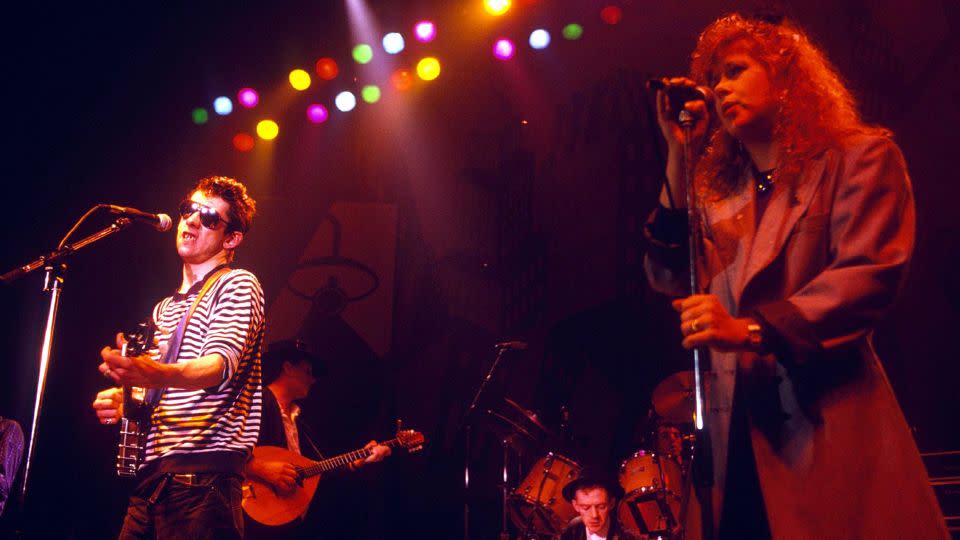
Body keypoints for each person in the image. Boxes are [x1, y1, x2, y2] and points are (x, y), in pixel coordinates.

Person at [644, 13, 948, 539]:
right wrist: (677, 152)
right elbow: (671, 276)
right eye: (715, 78)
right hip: (735, 433)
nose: (720, 88)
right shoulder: (720, 200)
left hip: (824, 428)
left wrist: (751, 329)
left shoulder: (860, 158)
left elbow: (868, 275)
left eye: (736, 70)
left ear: (785, 77)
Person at [91, 176, 264, 539]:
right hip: (152, 482)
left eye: (210, 217)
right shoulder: (163, 309)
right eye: (188, 210)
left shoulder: (237, 284)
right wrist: (127, 399)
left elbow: (217, 367)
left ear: (231, 239)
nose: (192, 220)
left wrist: (150, 374)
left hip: (203, 481)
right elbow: (161, 388)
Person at [244, 338, 391, 539]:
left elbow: (313, 469)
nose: (313, 380)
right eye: (308, 371)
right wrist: (260, 467)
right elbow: (223, 451)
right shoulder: (257, 402)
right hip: (254, 516)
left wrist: (357, 461)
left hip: (285, 518)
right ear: (287, 367)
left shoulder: (298, 420)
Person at [559, 468, 639, 540]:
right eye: (586, 507)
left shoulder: (626, 536)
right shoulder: (572, 529)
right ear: (575, 505)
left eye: (601, 507)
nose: (594, 515)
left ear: (611, 503)